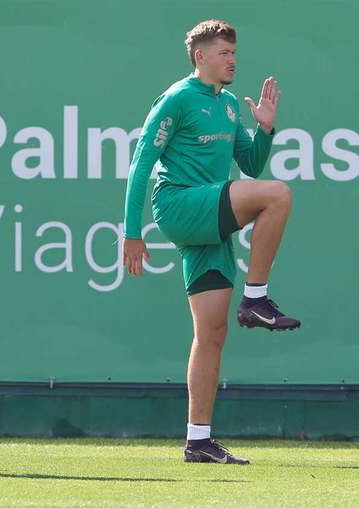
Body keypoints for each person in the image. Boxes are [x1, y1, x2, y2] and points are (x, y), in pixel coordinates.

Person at [123, 20, 300, 465]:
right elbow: (142, 163)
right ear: (200, 56)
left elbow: (251, 164)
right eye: (224, 52)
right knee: (279, 195)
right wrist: (131, 230)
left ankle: (198, 441)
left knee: (212, 333)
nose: (233, 60)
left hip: (209, 219)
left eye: (234, 53)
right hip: (182, 205)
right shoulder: (178, 98)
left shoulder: (226, 106)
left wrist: (265, 129)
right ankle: (256, 297)